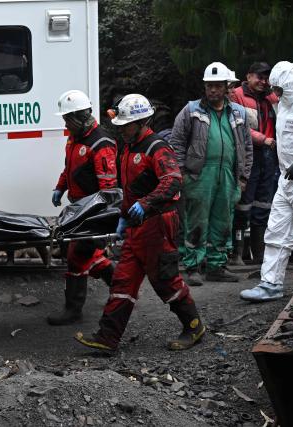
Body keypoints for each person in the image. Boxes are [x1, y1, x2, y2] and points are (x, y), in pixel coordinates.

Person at [74, 94, 205, 352]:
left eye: (126, 125)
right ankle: (107, 337)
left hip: (157, 223)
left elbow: (173, 179)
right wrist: (124, 215)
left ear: (143, 121)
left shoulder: (156, 147)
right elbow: (131, 189)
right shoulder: (128, 148)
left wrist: (146, 203)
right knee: (123, 280)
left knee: (165, 280)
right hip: (137, 225)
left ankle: (193, 326)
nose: (121, 129)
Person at [240, 61, 293, 302]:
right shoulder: (283, 105)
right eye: (274, 89)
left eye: (279, 88)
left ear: (291, 84)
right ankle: (271, 283)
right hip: (287, 179)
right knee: (277, 231)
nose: (275, 92)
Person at [170, 62, 253, 286]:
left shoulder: (238, 113)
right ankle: (193, 266)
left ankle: (217, 266)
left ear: (227, 87)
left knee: (223, 221)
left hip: (228, 174)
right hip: (199, 174)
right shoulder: (191, 110)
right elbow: (176, 142)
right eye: (209, 86)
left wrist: (243, 177)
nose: (212, 90)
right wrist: (181, 173)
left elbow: (246, 146)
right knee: (196, 221)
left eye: (217, 86)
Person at [48, 90, 117, 325]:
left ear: (79, 116)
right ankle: (117, 280)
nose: (65, 124)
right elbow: (69, 169)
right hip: (78, 208)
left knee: (76, 256)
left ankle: (73, 309)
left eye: (68, 119)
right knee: (83, 253)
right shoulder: (74, 139)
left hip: (92, 211)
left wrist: (95, 214)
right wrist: (60, 187)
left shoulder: (101, 143)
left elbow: (108, 188)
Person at [230, 62, 279, 265]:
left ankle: (260, 254)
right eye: (259, 77)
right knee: (243, 202)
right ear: (248, 76)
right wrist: (263, 139)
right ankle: (237, 254)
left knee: (264, 203)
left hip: (270, 156)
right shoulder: (237, 95)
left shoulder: (272, 97)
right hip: (248, 153)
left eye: (266, 78)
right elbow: (239, 127)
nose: (263, 81)